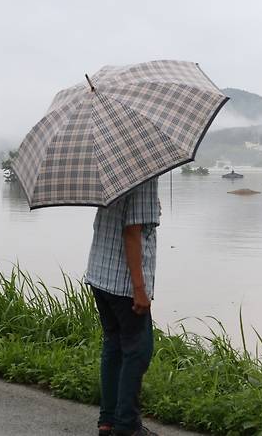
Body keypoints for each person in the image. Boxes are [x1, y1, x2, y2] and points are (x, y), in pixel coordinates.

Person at [86, 178, 160, 436]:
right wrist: (139, 289)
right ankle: (126, 426)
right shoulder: (144, 179)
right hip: (123, 284)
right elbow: (132, 232)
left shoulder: (110, 173)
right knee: (137, 351)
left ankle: (107, 422)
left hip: (100, 275)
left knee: (114, 346)